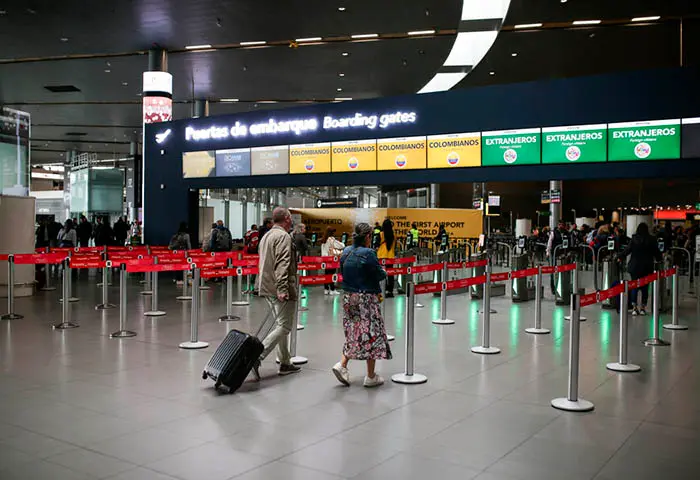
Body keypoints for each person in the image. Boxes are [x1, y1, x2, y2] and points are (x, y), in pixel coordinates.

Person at [331, 222, 392, 388]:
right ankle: (371, 376)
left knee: (354, 331)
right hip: (366, 298)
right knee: (371, 333)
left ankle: (342, 365)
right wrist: (383, 272)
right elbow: (379, 274)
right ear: (368, 236)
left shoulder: (346, 252)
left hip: (349, 297)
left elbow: (343, 272)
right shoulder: (369, 253)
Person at [253, 207, 301, 379]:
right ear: (287, 218)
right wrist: (282, 288)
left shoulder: (267, 236)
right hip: (278, 287)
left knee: (281, 324)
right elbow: (282, 264)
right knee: (285, 326)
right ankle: (257, 356)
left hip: (266, 286)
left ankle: (285, 362)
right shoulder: (283, 236)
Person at [619, 222, 662, 315]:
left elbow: (627, 250)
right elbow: (657, 252)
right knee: (645, 287)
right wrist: (660, 259)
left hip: (635, 266)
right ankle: (643, 308)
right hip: (647, 266)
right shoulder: (652, 239)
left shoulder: (634, 239)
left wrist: (619, 256)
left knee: (634, 286)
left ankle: (634, 308)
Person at [321, 227, 344, 295]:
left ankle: (326, 289)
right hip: (331, 259)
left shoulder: (323, 239)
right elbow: (341, 246)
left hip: (325, 259)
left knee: (326, 274)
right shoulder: (331, 239)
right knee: (332, 274)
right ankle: (332, 289)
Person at [376, 218, 396, 297]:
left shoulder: (380, 234)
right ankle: (390, 290)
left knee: (380, 273)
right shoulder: (393, 235)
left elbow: (376, 245)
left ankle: (380, 289)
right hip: (390, 256)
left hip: (381, 256)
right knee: (390, 274)